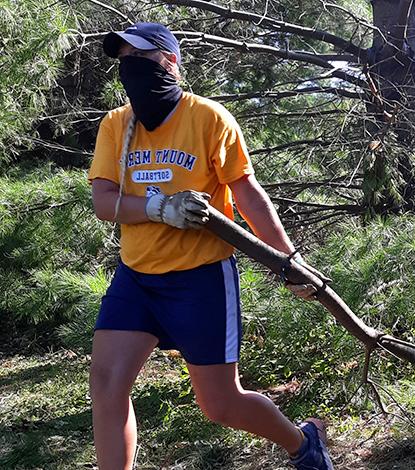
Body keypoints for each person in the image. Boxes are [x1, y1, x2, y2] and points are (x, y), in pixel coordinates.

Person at [87, 23, 334, 470]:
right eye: (124, 61)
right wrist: (161, 209)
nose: (131, 69)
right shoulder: (116, 124)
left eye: (140, 58)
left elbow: (247, 194)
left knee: (220, 405)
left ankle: (303, 443)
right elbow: (104, 202)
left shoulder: (207, 118)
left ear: (170, 61)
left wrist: (288, 260)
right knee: (106, 386)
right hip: (136, 278)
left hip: (199, 277)